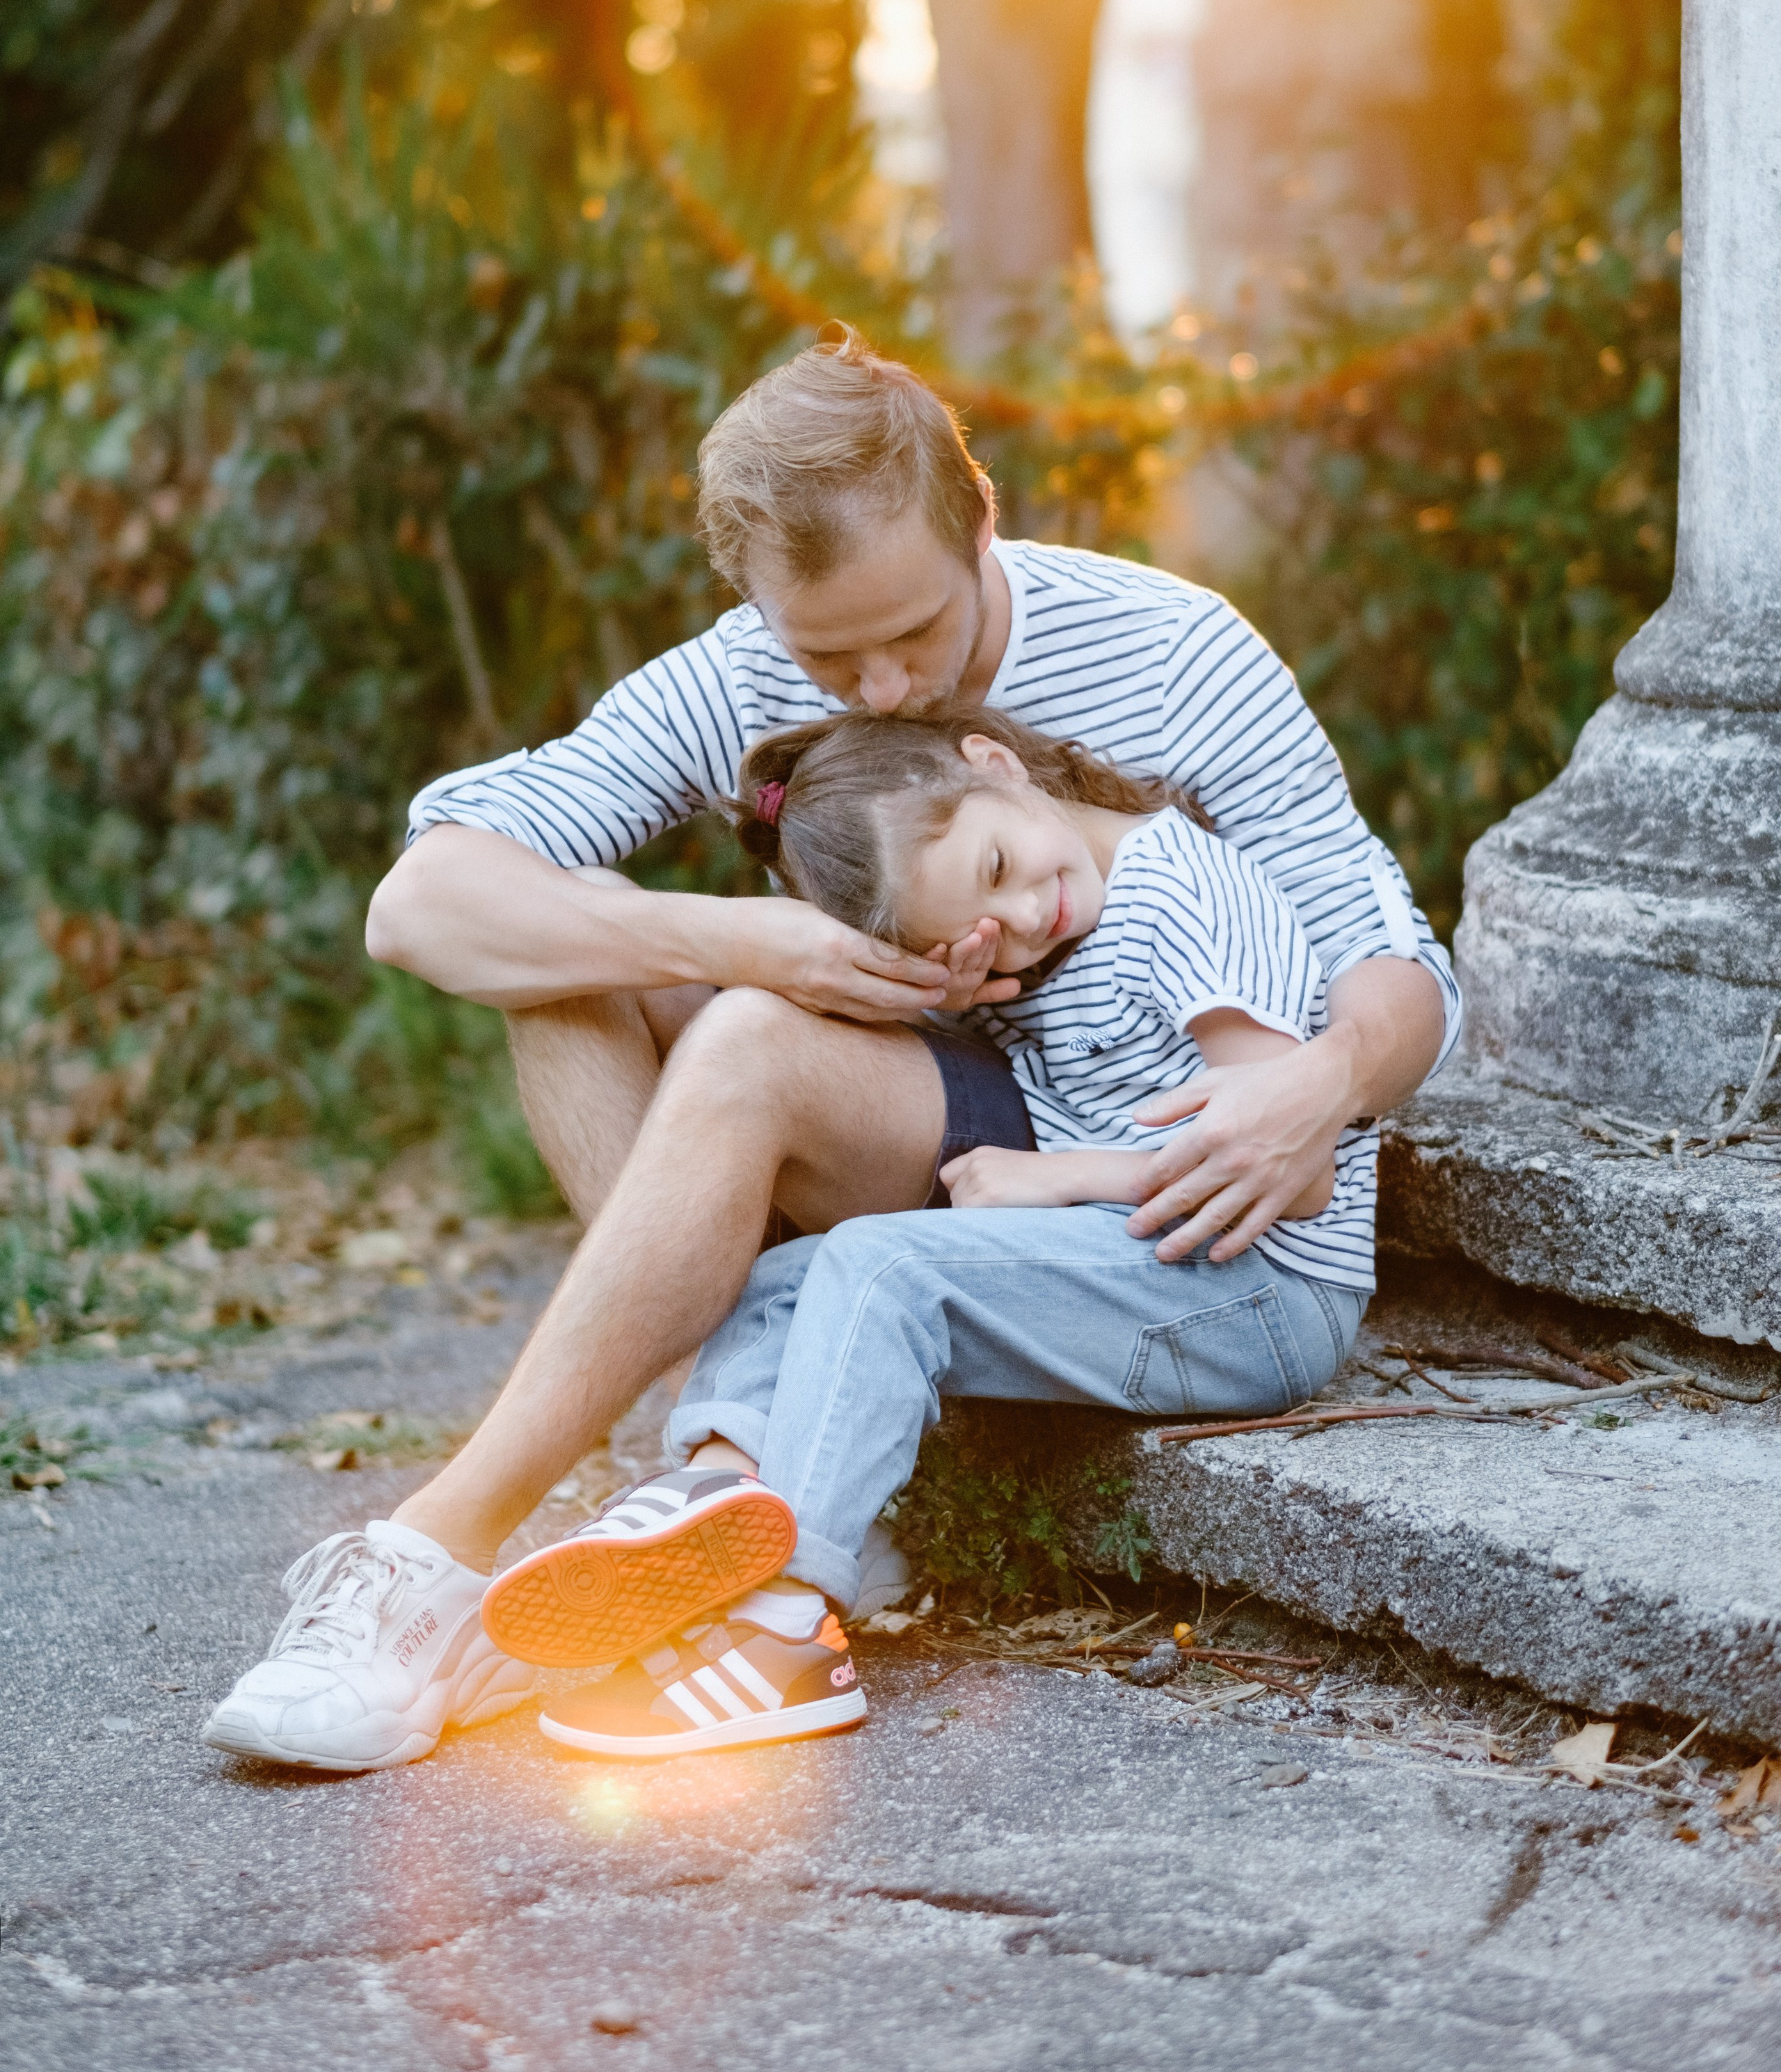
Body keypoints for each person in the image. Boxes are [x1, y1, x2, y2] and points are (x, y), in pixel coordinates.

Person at [202, 330, 1455, 1774]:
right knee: (578, 946)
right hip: (978, 1132)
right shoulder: (738, 673)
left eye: (912, 632)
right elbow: (421, 906)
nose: (876, 689)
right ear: (753, 603)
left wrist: (1320, 1086)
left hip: (1119, 1172)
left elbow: (1393, 966)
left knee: (740, 1052)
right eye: (823, 654)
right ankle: (728, 1482)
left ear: (980, 518)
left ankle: (446, 1552)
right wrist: (742, 941)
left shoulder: (1172, 658)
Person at [488, 704, 1380, 1758]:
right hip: (1148, 1255)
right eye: (980, 920)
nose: (1026, 914)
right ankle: (722, 1493)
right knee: (794, 1275)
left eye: (1002, 861)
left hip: (1262, 1289)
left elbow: (1295, 1170)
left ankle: (787, 1636)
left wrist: (1054, 1180)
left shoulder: (1186, 897)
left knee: (883, 1266)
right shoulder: (1029, 943)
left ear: (998, 763)